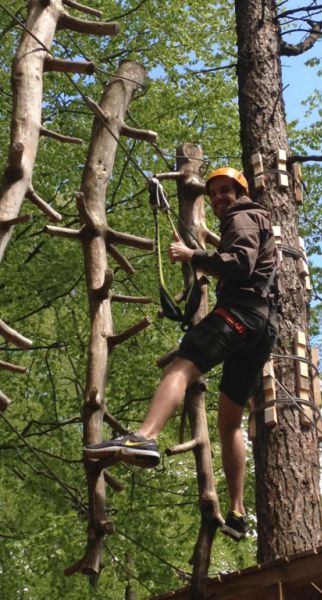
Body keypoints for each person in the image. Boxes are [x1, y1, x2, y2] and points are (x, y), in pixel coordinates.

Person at [84, 167, 278, 541]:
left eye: (227, 190)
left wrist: (192, 255)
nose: (221, 198)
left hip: (240, 312)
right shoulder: (258, 220)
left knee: (181, 367)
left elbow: (240, 263)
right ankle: (237, 512)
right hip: (262, 327)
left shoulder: (243, 217)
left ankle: (143, 436)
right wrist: (199, 258)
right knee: (230, 420)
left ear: (241, 192)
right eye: (214, 193)